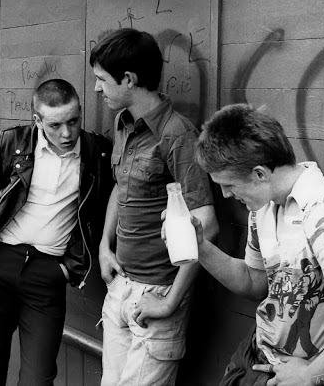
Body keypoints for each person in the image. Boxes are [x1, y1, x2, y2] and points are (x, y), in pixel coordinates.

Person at [187, 103, 324, 386]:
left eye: (229, 184)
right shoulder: (263, 206)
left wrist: (310, 376)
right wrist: (199, 246)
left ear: (260, 173)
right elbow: (254, 282)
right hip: (255, 354)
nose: (225, 194)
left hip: (299, 372)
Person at [89, 28, 219, 385]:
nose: (97, 88)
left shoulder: (177, 134)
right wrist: (104, 247)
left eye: (102, 79)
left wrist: (170, 302)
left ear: (129, 79)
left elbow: (207, 226)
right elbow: (121, 186)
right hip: (120, 287)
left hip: (158, 292)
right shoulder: (123, 123)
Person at [0, 78, 113, 385]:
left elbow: (101, 212)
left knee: (39, 378)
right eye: (55, 125)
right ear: (37, 120)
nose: (66, 133)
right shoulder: (11, 142)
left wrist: (68, 268)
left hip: (48, 274)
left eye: (73, 121)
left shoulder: (96, 153)